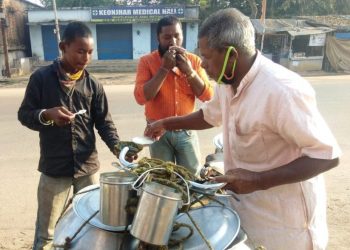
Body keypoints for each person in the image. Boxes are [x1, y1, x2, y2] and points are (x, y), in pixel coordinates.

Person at [145, 8, 341, 250]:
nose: (202, 65)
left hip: (286, 230)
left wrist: (257, 180)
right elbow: (209, 115)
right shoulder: (228, 81)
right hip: (246, 217)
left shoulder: (282, 90)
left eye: (206, 57)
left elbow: (327, 155)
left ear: (231, 54)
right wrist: (165, 123)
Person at [18, 22, 140, 250]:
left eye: (90, 52)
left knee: (91, 227)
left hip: (87, 171)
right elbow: (24, 115)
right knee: (46, 234)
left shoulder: (93, 85)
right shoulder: (41, 79)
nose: (85, 57)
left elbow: (104, 123)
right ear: (63, 46)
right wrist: (46, 115)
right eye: (80, 50)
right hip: (54, 170)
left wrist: (118, 148)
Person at [134, 16, 213, 175]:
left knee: (191, 177)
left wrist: (189, 72)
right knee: (164, 179)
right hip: (157, 133)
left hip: (186, 132)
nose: (173, 42)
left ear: (182, 35)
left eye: (177, 36)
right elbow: (141, 98)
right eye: (167, 37)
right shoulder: (147, 62)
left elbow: (208, 97)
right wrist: (164, 69)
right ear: (158, 38)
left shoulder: (194, 61)